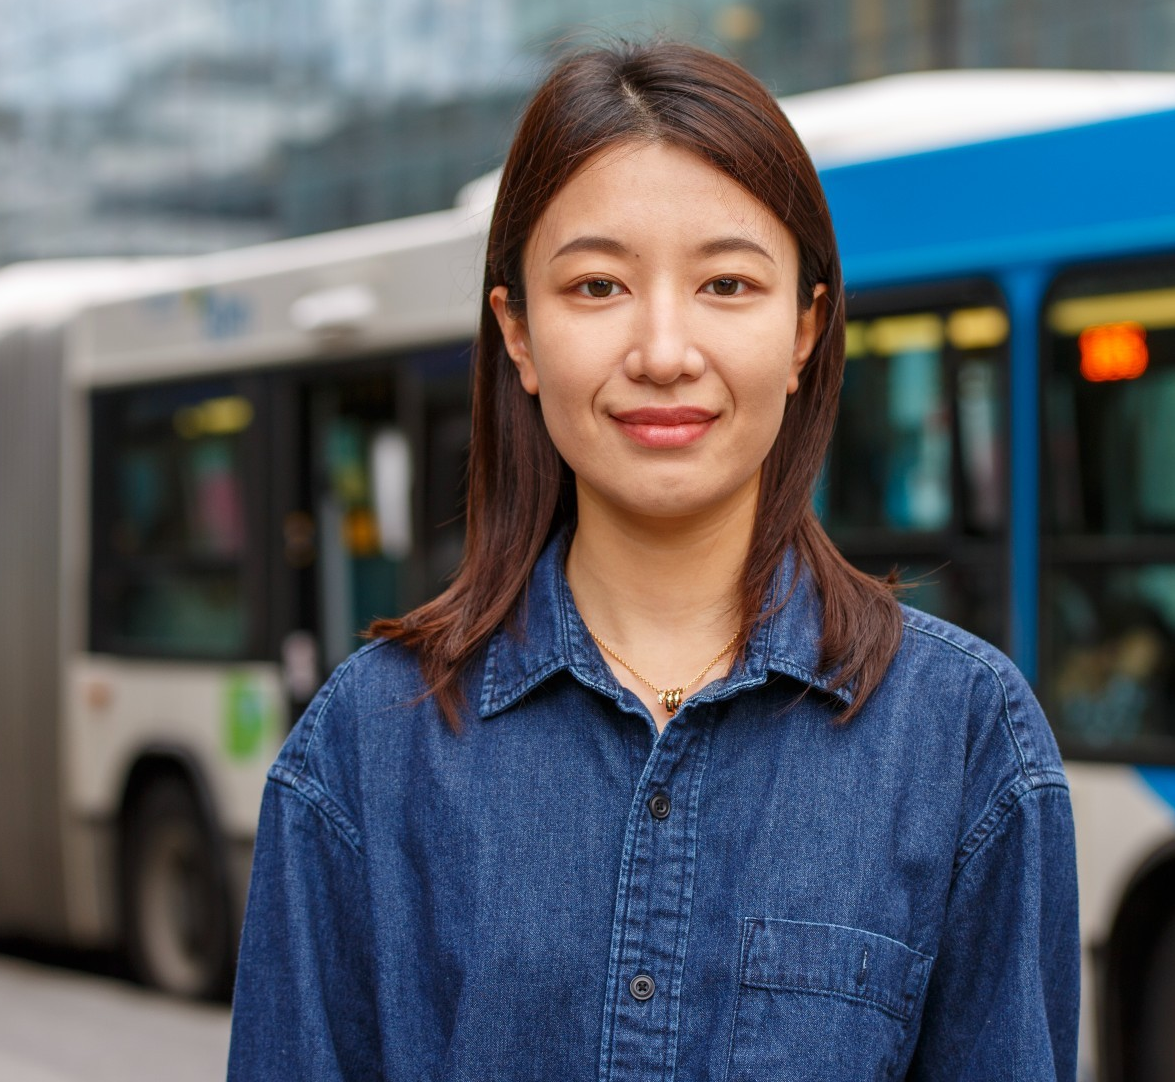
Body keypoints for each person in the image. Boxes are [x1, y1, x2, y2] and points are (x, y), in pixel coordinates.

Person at [227, 40, 1079, 1081]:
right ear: (519, 335)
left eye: (726, 282)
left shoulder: (960, 735)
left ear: (804, 327)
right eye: (596, 286)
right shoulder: (365, 747)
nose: (664, 349)